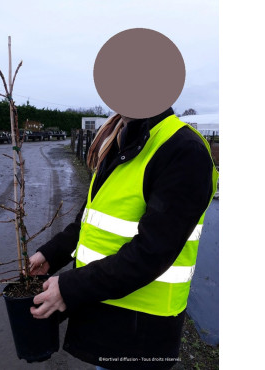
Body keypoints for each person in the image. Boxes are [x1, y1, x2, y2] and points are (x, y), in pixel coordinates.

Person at [29, 107, 218, 369]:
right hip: (107, 317)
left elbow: (152, 252)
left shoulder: (184, 151)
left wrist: (70, 288)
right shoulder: (122, 141)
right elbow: (89, 220)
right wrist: (52, 254)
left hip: (142, 335)